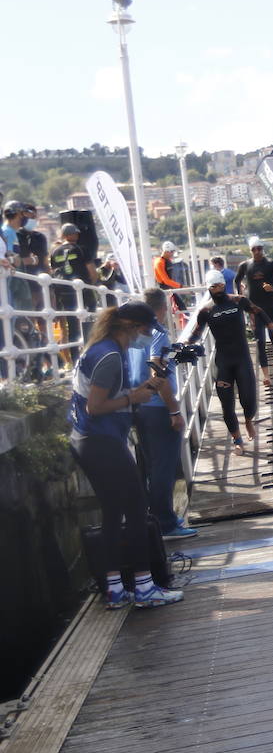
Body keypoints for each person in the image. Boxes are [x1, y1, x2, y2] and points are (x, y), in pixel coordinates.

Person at [69, 301, 183, 609]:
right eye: (146, 330)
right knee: (135, 511)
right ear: (133, 328)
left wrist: (148, 386)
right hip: (101, 442)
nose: (146, 336)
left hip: (86, 441)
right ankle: (145, 587)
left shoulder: (101, 348)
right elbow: (96, 406)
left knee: (112, 514)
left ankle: (116, 589)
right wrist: (134, 396)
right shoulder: (110, 356)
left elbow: (103, 399)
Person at [186, 269, 273, 455]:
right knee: (226, 405)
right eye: (214, 286)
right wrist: (184, 344)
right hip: (223, 361)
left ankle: (248, 420)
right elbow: (196, 334)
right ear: (209, 288)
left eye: (221, 285)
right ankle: (237, 439)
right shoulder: (206, 310)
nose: (219, 289)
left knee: (248, 400)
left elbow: (259, 311)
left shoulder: (238, 301)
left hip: (242, 359)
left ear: (225, 284)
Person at [129, 287, 197, 540]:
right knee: (164, 468)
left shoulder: (132, 332)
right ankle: (166, 524)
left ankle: (154, 519)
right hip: (157, 407)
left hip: (136, 405)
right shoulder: (157, 332)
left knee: (150, 467)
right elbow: (158, 374)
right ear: (163, 307)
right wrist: (174, 410)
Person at [235, 236, 273, 386]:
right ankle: (266, 375)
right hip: (254, 309)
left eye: (260, 249)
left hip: (270, 306)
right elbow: (237, 280)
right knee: (260, 341)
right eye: (254, 249)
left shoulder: (272, 265)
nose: (257, 252)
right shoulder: (245, 265)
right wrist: (240, 296)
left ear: (263, 249)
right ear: (250, 250)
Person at [49, 223, 100, 365]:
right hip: (83, 291)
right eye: (76, 233)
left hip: (64, 293)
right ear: (71, 235)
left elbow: (53, 273)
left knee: (72, 327)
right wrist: (91, 285)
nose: (77, 235)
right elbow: (92, 272)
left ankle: (76, 361)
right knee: (90, 323)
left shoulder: (54, 252)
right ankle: (92, 356)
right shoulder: (82, 249)